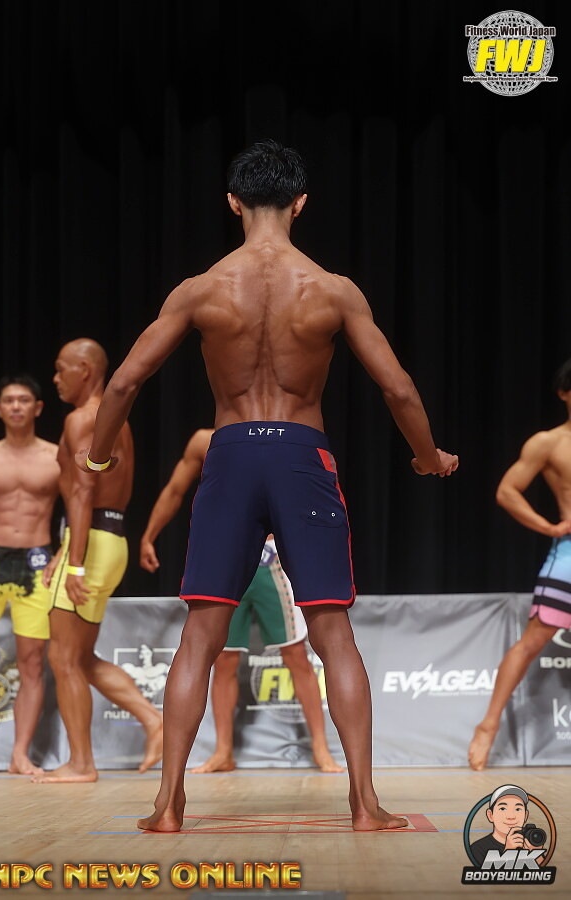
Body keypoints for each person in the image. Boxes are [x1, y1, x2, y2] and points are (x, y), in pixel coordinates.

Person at [78, 139, 458, 831]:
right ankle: (364, 804)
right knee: (332, 631)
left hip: (229, 454)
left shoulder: (200, 289)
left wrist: (98, 459)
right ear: (301, 203)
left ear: (232, 202)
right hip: (300, 457)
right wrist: (429, 457)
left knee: (200, 633)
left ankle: (167, 805)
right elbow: (398, 388)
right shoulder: (333, 290)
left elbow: (126, 382)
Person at [140, 427, 344, 773]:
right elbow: (175, 489)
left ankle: (321, 749)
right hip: (227, 554)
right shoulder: (204, 440)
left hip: (271, 558)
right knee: (223, 659)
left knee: (296, 655)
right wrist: (149, 535)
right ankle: (223, 751)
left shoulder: (282, 432)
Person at [34, 339, 163, 783]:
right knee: (81, 657)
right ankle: (152, 719)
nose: (56, 378)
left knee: (63, 658)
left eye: (60, 369)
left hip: (90, 545)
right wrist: (65, 551)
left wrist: (74, 563)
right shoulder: (112, 419)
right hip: (108, 538)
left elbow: (82, 490)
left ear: (85, 370)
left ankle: (81, 764)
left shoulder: (81, 418)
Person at [468, 359, 571, 770]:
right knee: (531, 642)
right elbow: (508, 491)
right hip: (569, 555)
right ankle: (488, 725)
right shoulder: (549, 442)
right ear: (564, 393)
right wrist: (549, 527)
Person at [0, 375, 59, 775]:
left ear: (38, 408)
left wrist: (66, 553)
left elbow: (82, 505)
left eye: (24, 400)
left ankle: (19, 755)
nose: (17, 406)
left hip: (38, 562)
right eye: (9, 400)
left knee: (32, 662)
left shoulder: (55, 456)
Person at [470, 785, 546, 866]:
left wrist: (537, 854)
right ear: (490, 815)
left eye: (518, 809)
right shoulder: (478, 848)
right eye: (503, 809)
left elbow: (543, 871)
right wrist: (508, 852)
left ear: (526, 816)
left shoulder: (530, 843)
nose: (511, 816)